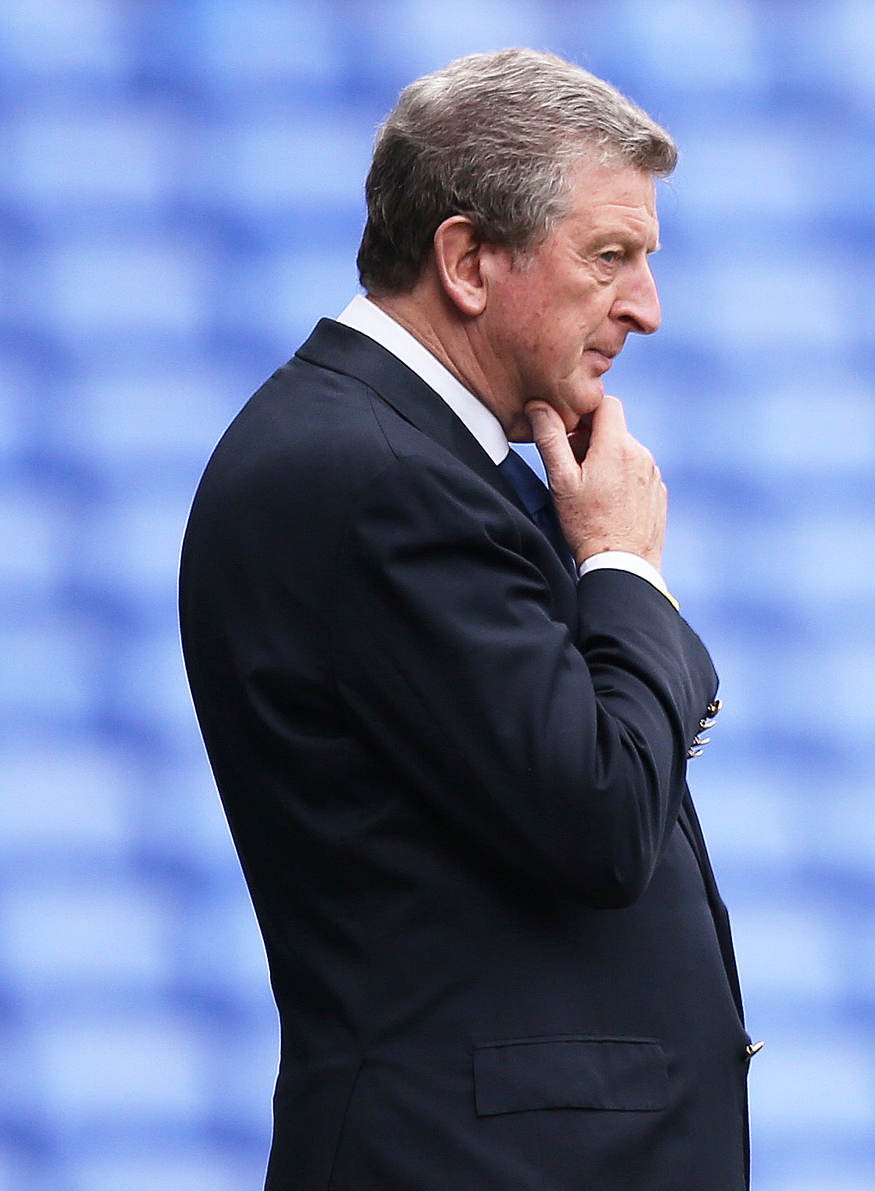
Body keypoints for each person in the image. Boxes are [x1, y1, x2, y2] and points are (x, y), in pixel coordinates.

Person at [179, 49, 751, 1189]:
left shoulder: (414, 459)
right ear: (468, 260)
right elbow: (597, 811)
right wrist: (623, 568)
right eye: (610, 257)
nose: (646, 306)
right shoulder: (377, 476)